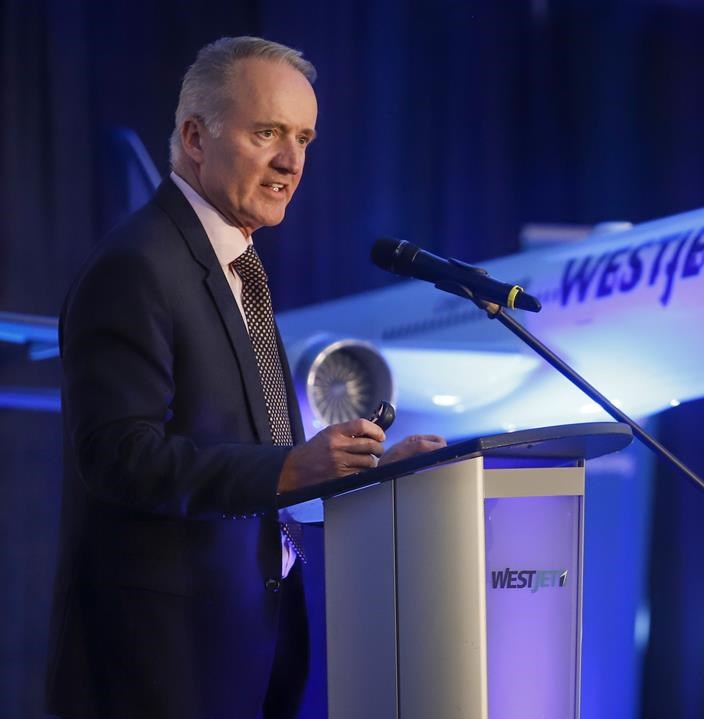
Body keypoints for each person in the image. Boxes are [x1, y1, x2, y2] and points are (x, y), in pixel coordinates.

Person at [45, 36, 445, 718]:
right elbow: (117, 457)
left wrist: (366, 471)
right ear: (195, 138)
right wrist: (291, 467)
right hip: (162, 668)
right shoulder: (137, 266)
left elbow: (252, 456)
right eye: (268, 133)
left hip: (249, 649)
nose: (292, 162)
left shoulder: (236, 265)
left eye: (305, 138)